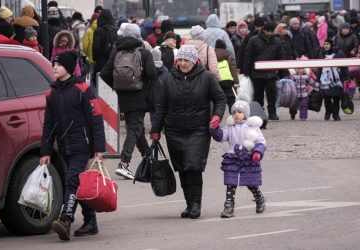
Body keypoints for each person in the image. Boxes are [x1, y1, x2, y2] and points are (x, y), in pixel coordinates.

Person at [150, 45, 226, 219]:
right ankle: (189, 204)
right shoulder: (169, 79)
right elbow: (161, 106)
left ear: (195, 61)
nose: (183, 63)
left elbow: (220, 98)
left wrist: (216, 117)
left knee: (193, 166)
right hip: (174, 131)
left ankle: (196, 204)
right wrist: (156, 129)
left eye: (187, 60)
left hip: (198, 130)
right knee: (183, 168)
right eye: (180, 60)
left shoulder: (206, 77)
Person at [40, 51, 105, 241]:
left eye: (58, 65)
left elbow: (96, 120)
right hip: (64, 146)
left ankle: (66, 219)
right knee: (78, 184)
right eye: (53, 64)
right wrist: (45, 151)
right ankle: (90, 222)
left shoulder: (83, 89)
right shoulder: (51, 93)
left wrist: (99, 149)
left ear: (68, 67)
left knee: (71, 180)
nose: (54, 67)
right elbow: (48, 125)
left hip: (83, 145)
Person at [100, 23, 157, 180]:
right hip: (140, 96)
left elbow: (104, 74)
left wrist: (117, 85)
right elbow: (152, 75)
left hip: (123, 97)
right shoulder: (144, 53)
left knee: (137, 131)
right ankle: (124, 164)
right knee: (134, 129)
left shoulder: (117, 52)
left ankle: (150, 162)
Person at [209, 94, 266, 218]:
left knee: (251, 183)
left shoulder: (253, 127)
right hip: (233, 158)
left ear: (246, 113)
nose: (236, 114)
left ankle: (259, 198)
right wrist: (214, 129)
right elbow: (221, 136)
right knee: (231, 182)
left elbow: (261, 142)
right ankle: (229, 206)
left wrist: (257, 153)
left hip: (248, 158)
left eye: (239, 112)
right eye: (234, 112)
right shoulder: (230, 127)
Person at [243, 22, 283, 120]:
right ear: (263, 30)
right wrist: (246, 72)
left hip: (271, 73)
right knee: (258, 95)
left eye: (271, 31)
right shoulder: (253, 40)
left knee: (272, 94)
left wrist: (282, 72)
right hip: (256, 73)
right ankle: (259, 112)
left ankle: (272, 113)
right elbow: (248, 56)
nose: (269, 33)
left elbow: (281, 57)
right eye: (267, 31)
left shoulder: (277, 42)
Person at [317, 38, 347, 121]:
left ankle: (336, 114)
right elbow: (319, 68)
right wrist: (317, 80)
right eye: (325, 44)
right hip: (325, 80)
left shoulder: (339, 53)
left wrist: (347, 77)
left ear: (331, 45)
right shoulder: (321, 53)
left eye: (327, 44)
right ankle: (328, 112)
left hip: (337, 80)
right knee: (327, 98)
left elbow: (344, 66)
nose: (326, 46)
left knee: (336, 99)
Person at [214, 39, 239, 113]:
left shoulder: (211, 53)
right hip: (229, 82)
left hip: (216, 82)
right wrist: (236, 81)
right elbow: (233, 68)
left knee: (217, 103)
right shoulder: (228, 53)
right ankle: (234, 118)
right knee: (231, 101)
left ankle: (215, 121)